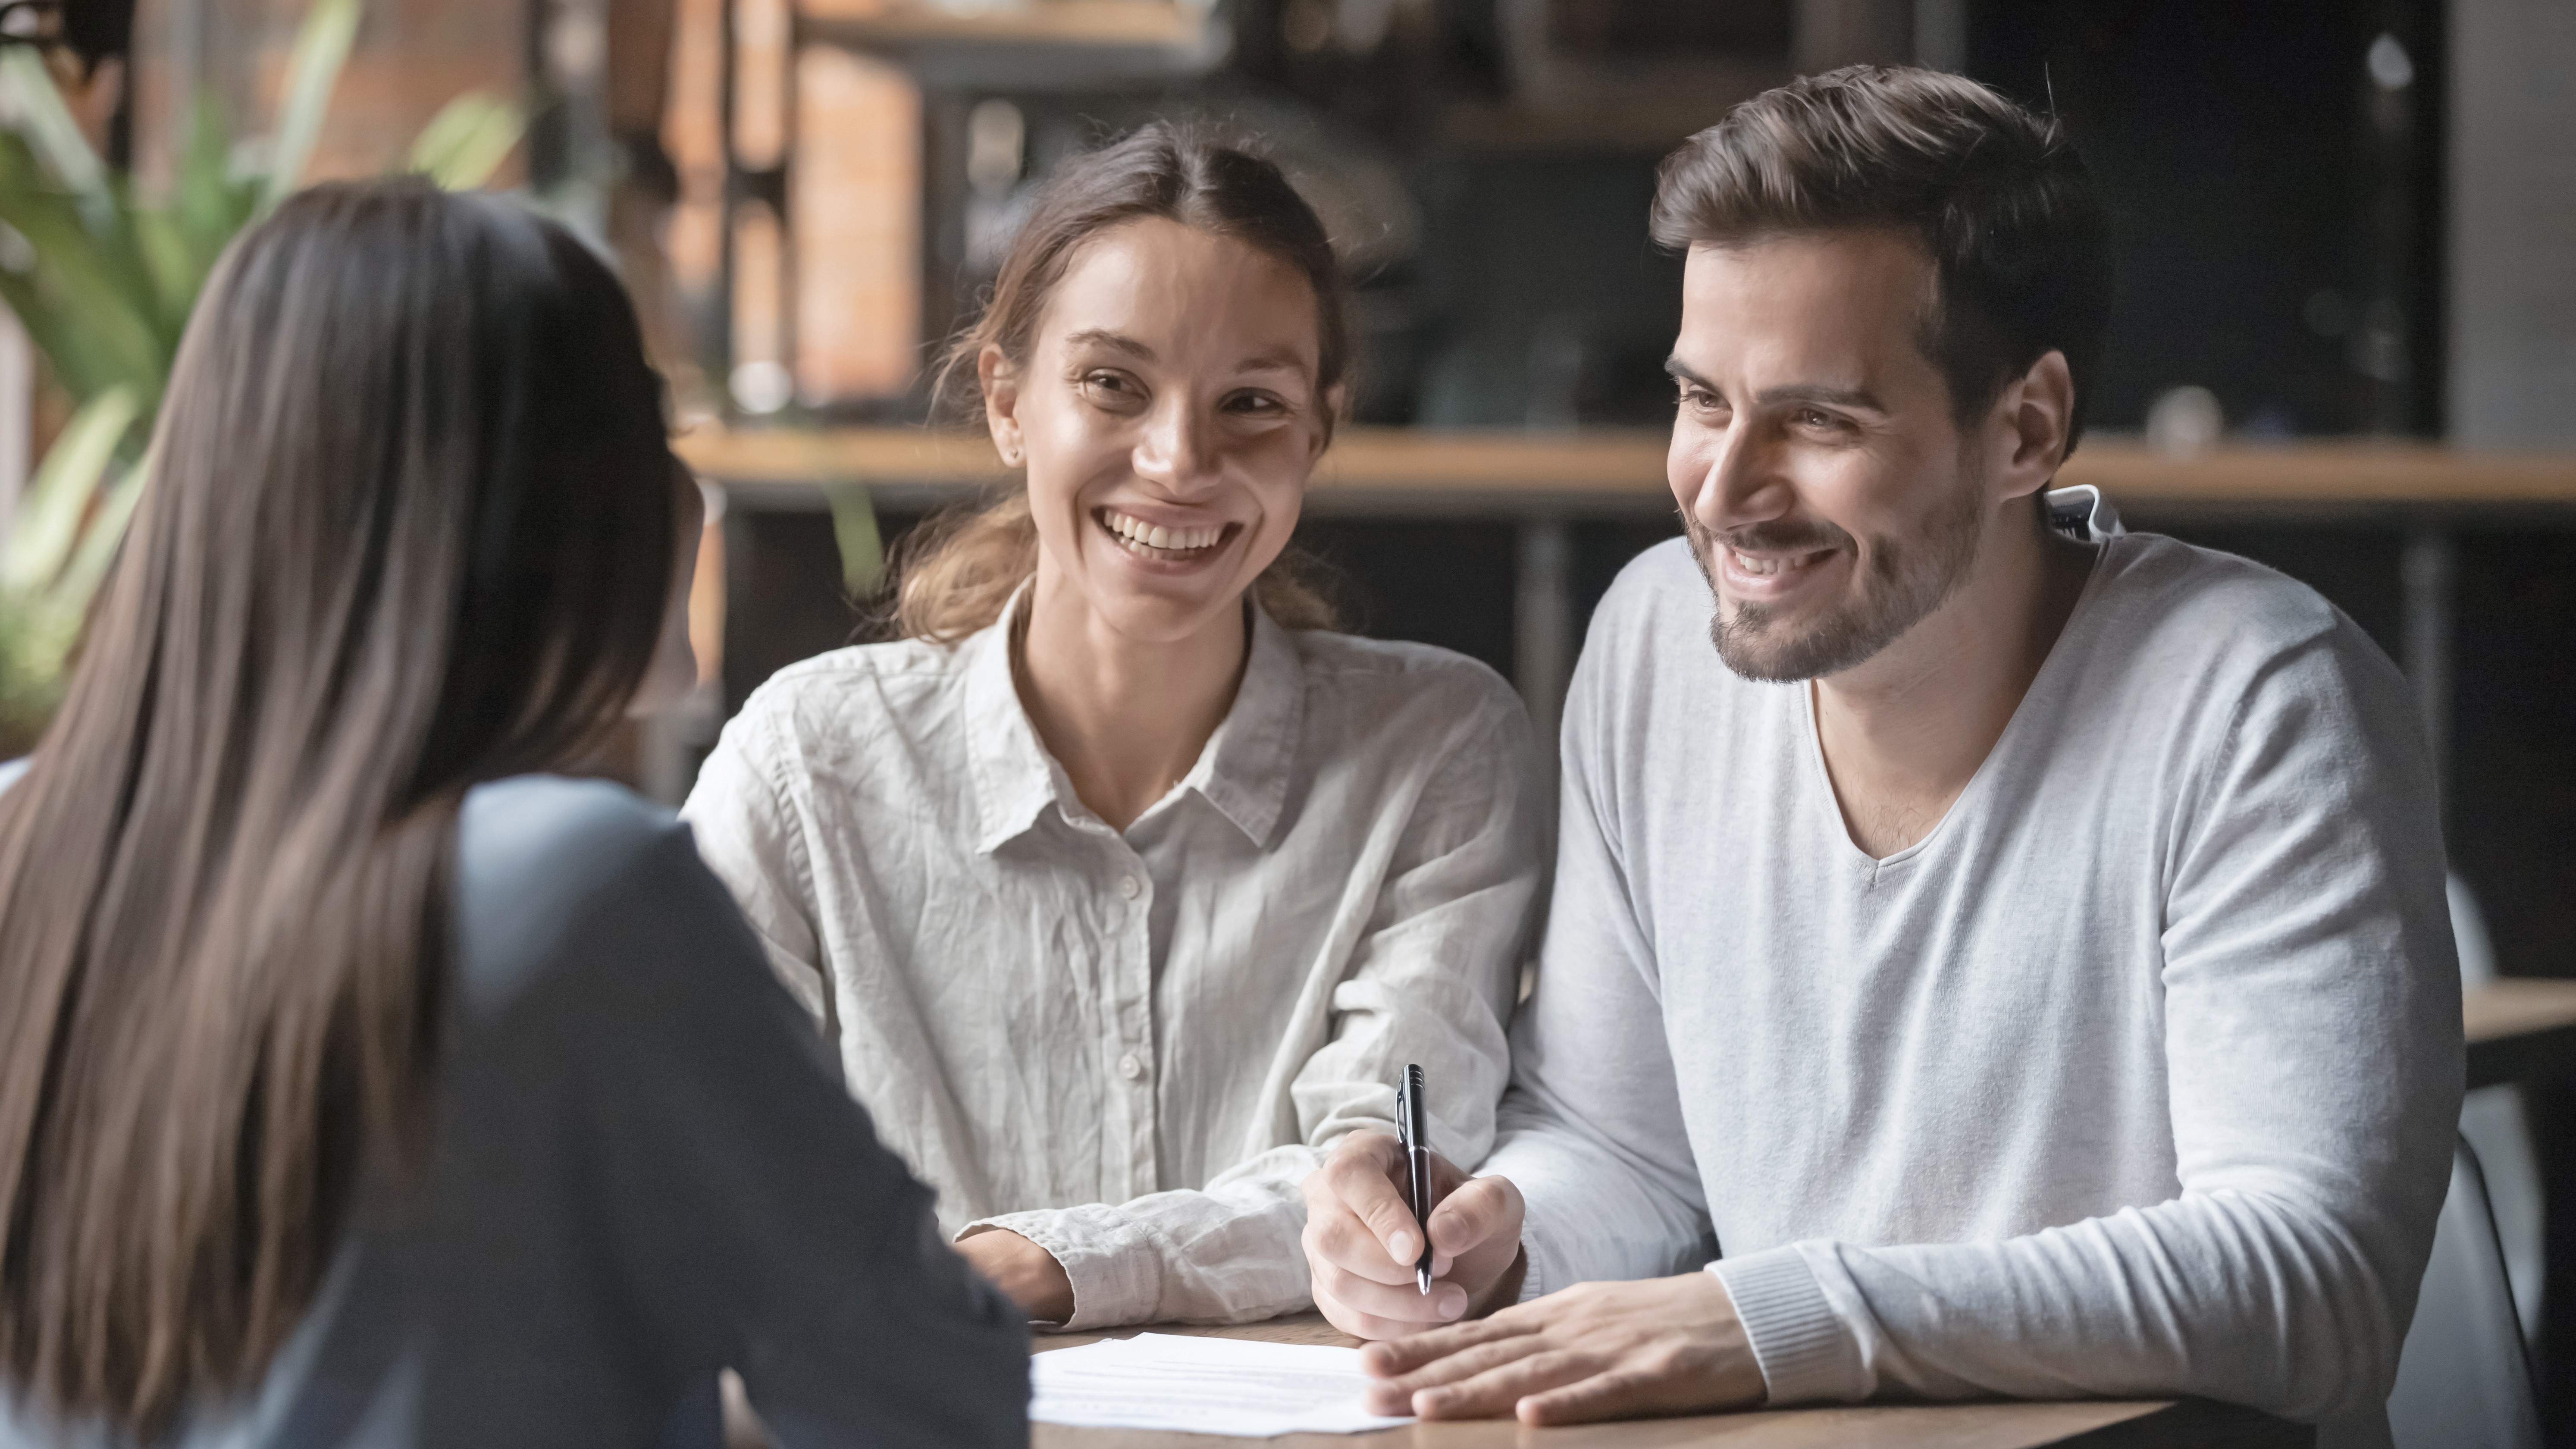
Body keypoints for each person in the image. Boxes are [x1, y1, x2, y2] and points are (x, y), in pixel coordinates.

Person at [1299, 66, 2460, 1448]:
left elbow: (2311, 1285)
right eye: (1701, 401)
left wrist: (1776, 1318)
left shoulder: (2261, 700)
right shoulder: (1655, 645)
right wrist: (1503, 1241)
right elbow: (1624, 1147)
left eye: (1819, 421)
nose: (1723, 492)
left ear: (2026, 426)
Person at [0, 180, 1028, 1449]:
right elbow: (924, 1396)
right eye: (650, 433)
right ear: (532, 509)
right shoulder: (572, 888)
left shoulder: (22, 847)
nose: (689, 495)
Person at [682, 123, 1547, 1331]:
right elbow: (701, 1175)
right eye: (1113, 384)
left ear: (1318, 435)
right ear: (1007, 403)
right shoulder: (805, 767)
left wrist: (1044, 1266)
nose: (1180, 460)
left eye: (1251, 403)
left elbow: (1376, 1193)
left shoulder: (1438, 747)